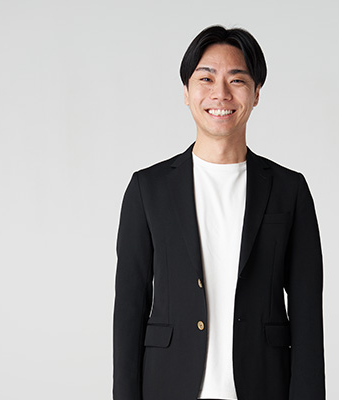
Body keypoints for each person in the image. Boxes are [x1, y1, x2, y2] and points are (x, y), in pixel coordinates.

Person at [113, 25, 325, 400]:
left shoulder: (289, 190)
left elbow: (308, 318)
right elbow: (129, 312)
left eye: (237, 80)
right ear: (186, 92)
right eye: (206, 79)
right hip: (169, 387)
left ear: (256, 93)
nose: (221, 94)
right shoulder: (148, 189)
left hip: (264, 387)